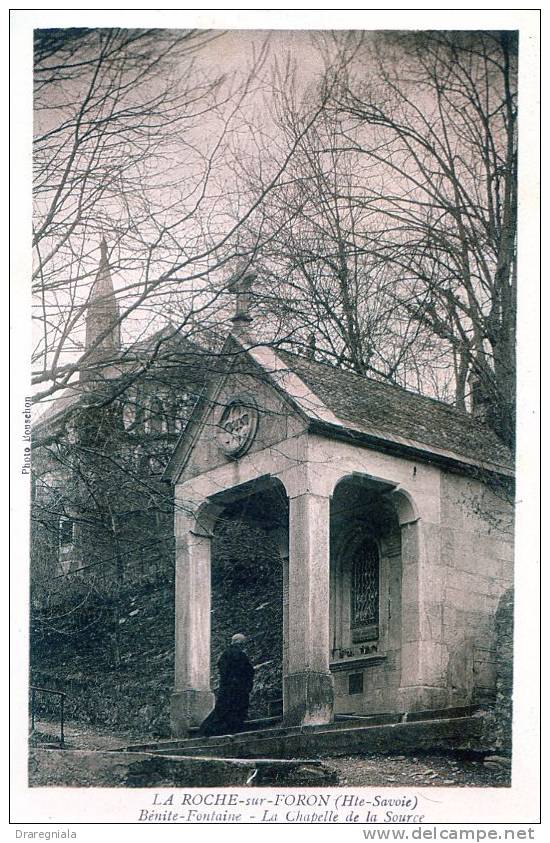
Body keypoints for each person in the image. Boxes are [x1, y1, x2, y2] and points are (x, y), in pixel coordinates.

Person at [198, 633, 255, 737]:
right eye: (243, 643)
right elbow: (248, 671)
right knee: (236, 709)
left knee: (222, 710)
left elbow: (223, 671)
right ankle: (232, 729)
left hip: (226, 688)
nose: (244, 645)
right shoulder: (240, 655)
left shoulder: (225, 654)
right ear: (240, 643)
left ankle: (208, 730)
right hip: (238, 689)